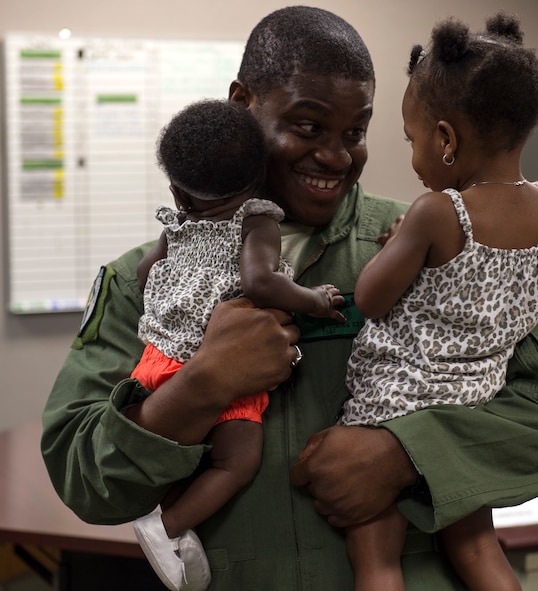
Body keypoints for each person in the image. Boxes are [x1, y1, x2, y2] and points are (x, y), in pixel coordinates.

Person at [40, 6, 538, 590]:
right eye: (307, 127)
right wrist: (200, 385)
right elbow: (84, 479)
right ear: (242, 105)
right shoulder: (150, 280)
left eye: (355, 132)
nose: (336, 157)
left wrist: (403, 454)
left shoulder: (429, 245)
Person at [339, 14, 538, 591]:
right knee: (479, 549)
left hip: (394, 406)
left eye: (412, 139)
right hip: (472, 408)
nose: (414, 152)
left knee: (378, 559)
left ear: (445, 139)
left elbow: (370, 299)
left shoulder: (439, 214)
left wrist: (399, 248)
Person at [129, 98, 345, 591]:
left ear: (179, 193)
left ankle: (181, 532)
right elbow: (260, 283)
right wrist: (312, 300)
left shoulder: (178, 224)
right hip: (225, 367)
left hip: (158, 360)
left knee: (187, 458)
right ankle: (165, 528)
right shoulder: (256, 218)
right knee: (237, 460)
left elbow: (146, 274)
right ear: (258, 179)